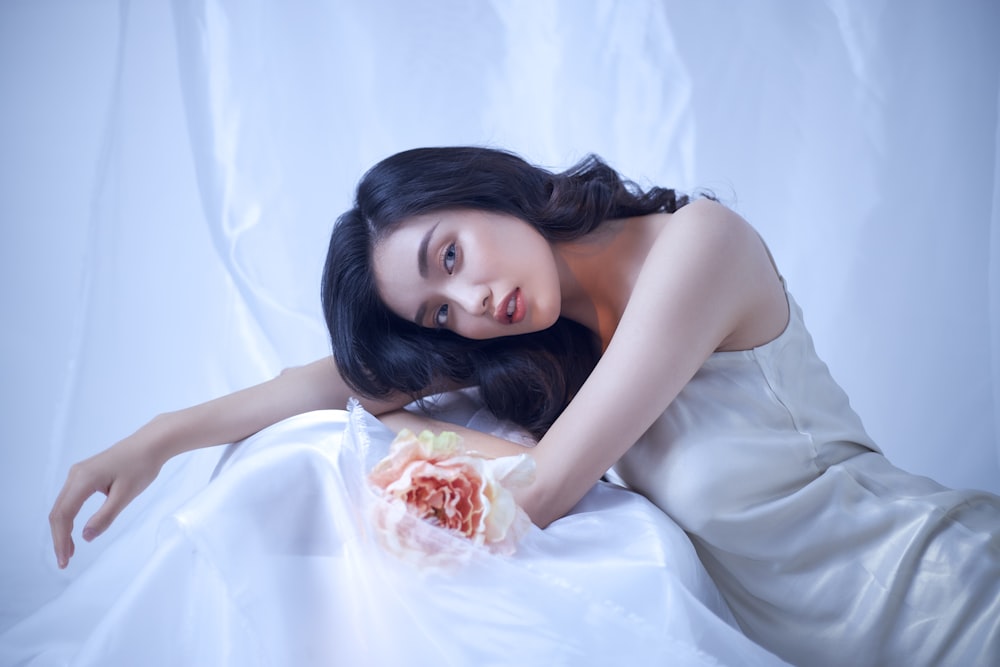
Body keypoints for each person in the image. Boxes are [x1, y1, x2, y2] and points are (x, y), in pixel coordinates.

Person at [40, 147, 1000, 666]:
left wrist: (381, 436)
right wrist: (159, 437)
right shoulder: (562, 351)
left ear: (486, 189)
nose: (469, 306)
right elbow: (330, 382)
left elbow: (534, 492)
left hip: (950, 604)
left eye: (449, 257)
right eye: (439, 314)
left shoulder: (696, 247)